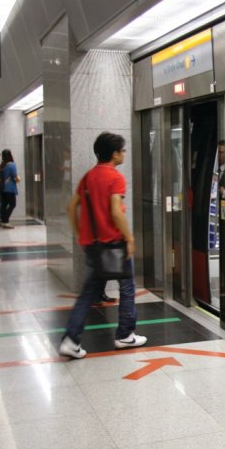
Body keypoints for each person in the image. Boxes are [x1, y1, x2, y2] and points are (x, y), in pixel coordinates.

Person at [59, 132, 146, 358]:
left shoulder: (88, 176)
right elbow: (116, 211)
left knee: (88, 293)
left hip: (93, 245)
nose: (124, 154)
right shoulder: (115, 177)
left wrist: (81, 234)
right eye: (122, 150)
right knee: (127, 287)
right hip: (114, 244)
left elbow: (71, 208)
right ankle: (125, 335)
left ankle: (71, 339)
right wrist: (130, 238)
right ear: (114, 153)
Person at [0, 149, 21, 229]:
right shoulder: (12, 165)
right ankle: (5, 221)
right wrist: (18, 179)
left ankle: (3, 221)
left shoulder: (2, 165)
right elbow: (14, 176)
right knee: (12, 204)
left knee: (4, 204)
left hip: (2, 188)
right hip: (10, 188)